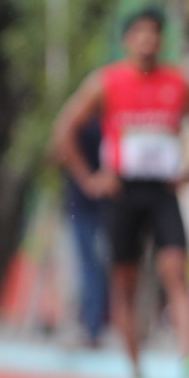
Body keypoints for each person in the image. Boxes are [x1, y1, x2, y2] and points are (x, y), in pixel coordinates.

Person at [51, 7, 189, 378]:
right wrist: (90, 177)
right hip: (122, 193)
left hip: (162, 191)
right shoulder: (106, 83)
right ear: (127, 40)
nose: (147, 41)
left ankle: (188, 361)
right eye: (139, 33)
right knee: (124, 285)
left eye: (154, 33)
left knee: (175, 270)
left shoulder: (179, 82)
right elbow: (64, 130)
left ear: (162, 40)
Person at [63, 116, 109, 347]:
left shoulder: (114, 120)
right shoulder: (83, 123)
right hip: (82, 206)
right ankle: (88, 324)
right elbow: (60, 141)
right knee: (87, 265)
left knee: (100, 267)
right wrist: (87, 180)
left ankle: (95, 324)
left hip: (109, 206)